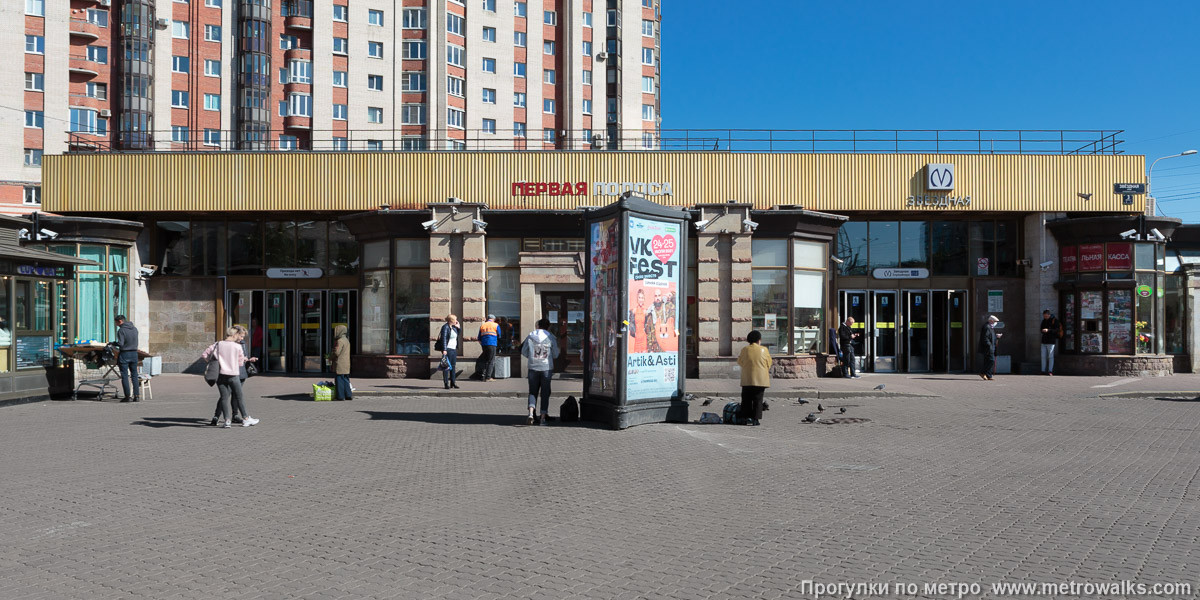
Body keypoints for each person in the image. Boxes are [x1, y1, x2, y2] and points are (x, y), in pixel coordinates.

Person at [202, 327, 259, 428]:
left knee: (224, 397)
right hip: (233, 375)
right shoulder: (237, 347)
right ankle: (246, 418)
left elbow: (205, 355)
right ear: (233, 335)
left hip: (220, 375)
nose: (239, 337)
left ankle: (227, 420)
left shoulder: (217, 344)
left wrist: (213, 363)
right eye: (238, 335)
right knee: (239, 396)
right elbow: (240, 362)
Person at [521, 318, 559, 426]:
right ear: (548, 326)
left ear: (538, 326)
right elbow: (556, 354)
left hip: (533, 367)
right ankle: (543, 418)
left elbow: (524, 351)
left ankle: (531, 413)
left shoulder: (531, 335)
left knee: (532, 391)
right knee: (545, 392)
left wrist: (532, 357)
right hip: (546, 368)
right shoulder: (550, 337)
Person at [737, 330, 772, 426]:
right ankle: (755, 419)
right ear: (759, 340)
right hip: (761, 379)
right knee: (758, 400)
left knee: (746, 399)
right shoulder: (764, 349)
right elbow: (769, 363)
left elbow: (740, 362)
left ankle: (744, 418)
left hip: (747, 379)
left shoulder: (745, 349)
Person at [115, 315, 141, 403]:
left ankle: (127, 396)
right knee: (134, 375)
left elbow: (121, 343)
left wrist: (114, 344)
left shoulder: (121, 330)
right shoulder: (134, 329)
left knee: (125, 375)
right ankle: (136, 396)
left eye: (116, 322)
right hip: (134, 353)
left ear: (120, 321)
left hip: (125, 354)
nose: (116, 324)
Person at [438, 314, 461, 389]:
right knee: (446, 366)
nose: (456, 321)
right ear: (451, 320)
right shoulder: (445, 327)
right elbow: (443, 339)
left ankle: (453, 382)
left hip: (453, 349)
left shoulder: (454, 327)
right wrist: (444, 349)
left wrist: (458, 328)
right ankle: (446, 383)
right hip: (448, 349)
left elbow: (457, 336)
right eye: (455, 320)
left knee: (453, 366)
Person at [978, 315, 1002, 381]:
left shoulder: (990, 327)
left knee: (988, 361)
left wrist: (996, 337)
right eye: (995, 321)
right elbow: (985, 338)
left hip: (990, 347)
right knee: (991, 360)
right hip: (988, 348)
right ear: (991, 321)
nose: (995, 323)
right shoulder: (987, 327)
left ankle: (988, 375)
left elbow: (990, 337)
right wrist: (989, 346)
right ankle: (983, 372)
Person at [332, 324, 353, 400]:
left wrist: (331, 357)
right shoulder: (346, 340)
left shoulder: (340, 341)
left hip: (340, 363)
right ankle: (348, 395)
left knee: (339, 380)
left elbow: (337, 352)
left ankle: (340, 396)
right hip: (346, 363)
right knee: (346, 379)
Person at [477, 314, 499, 382]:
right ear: (493, 319)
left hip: (484, 344)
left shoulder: (483, 325)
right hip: (492, 344)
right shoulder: (495, 325)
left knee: (485, 360)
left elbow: (479, 338)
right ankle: (488, 377)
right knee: (491, 360)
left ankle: (483, 375)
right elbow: (499, 334)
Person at [1039, 310, 1059, 376]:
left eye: (1046, 316)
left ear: (1049, 315)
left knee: (1050, 356)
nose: (1045, 317)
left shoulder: (1054, 321)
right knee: (1043, 356)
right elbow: (1041, 329)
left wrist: (1048, 330)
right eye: (1044, 316)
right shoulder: (1043, 321)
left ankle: (1050, 370)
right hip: (1044, 341)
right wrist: (1043, 330)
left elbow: (1056, 330)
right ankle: (1043, 370)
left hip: (1051, 341)